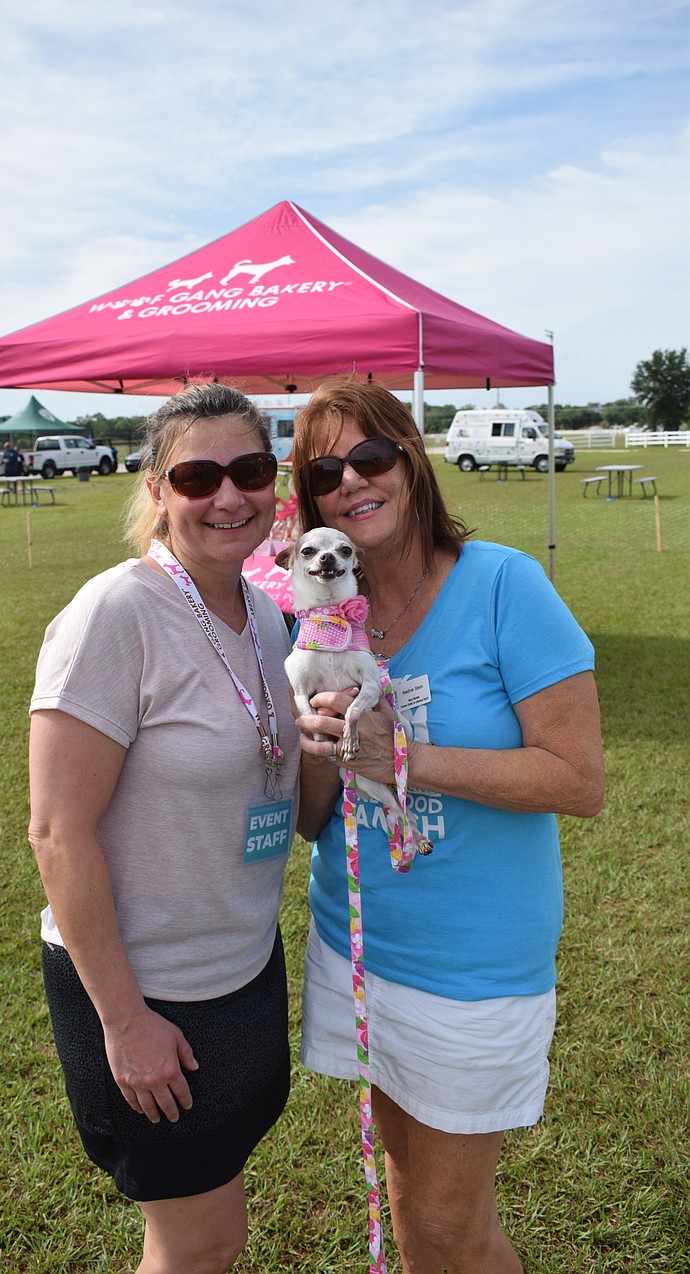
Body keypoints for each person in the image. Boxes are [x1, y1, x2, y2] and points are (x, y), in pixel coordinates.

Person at [289, 377, 605, 1274]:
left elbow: (580, 781)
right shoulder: (319, 619)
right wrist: (319, 754)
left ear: (413, 460)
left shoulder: (505, 583)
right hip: (356, 942)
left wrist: (406, 760)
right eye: (325, 471)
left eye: (372, 456)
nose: (353, 481)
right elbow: (318, 821)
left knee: (445, 1225)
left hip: (470, 965)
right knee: (407, 1184)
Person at [28, 383, 302, 1274]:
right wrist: (125, 1022)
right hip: (150, 997)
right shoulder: (115, 613)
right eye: (198, 476)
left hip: (244, 970)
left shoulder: (263, 613)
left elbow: (288, 793)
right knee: (203, 1243)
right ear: (157, 489)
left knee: (203, 1222)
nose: (229, 496)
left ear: (276, 481)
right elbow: (57, 835)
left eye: (250, 470)